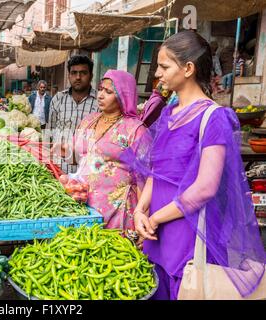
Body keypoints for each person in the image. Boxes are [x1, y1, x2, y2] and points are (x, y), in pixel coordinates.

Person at [129, 30, 265, 300]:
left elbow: (205, 188)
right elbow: (157, 172)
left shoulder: (214, 118)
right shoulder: (169, 113)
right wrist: (140, 211)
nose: (157, 73)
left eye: (164, 66)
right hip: (157, 232)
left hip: (188, 233)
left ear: (188, 68)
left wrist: (154, 218)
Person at [71, 70, 149, 234]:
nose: (100, 95)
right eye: (100, 89)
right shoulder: (88, 121)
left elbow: (145, 178)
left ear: (123, 95)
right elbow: (75, 153)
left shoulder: (134, 129)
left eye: (108, 91)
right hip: (82, 205)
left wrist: (143, 216)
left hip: (117, 211)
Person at [47, 55, 99, 174]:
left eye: (83, 73)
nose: (78, 77)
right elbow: (50, 132)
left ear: (91, 76)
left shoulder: (99, 102)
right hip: (59, 169)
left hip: (87, 171)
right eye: (74, 73)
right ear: (69, 75)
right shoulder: (58, 100)